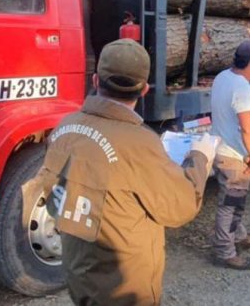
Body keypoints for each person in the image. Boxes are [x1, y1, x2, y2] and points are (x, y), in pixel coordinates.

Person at [29, 38, 216, 305]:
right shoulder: (140, 142)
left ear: (95, 81)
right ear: (144, 90)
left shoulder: (65, 126)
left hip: (79, 272)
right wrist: (200, 158)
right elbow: (180, 207)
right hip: (123, 289)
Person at [210, 40, 250, 270]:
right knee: (230, 203)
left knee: (235, 200)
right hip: (233, 155)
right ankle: (225, 252)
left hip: (218, 148)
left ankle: (239, 235)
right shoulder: (243, 89)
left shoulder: (222, 77)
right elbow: (248, 128)